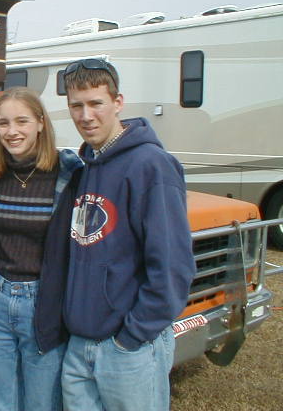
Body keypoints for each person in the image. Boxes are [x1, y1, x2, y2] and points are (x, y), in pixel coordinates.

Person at [60, 58, 196, 411]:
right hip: (80, 344)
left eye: (96, 103)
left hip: (127, 348)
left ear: (118, 102)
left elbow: (172, 267)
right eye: (76, 105)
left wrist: (131, 338)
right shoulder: (85, 166)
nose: (86, 115)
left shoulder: (150, 165)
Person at [0, 87, 83, 411]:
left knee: (42, 399)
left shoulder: (68, 174)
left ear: (40, 123)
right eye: (3, 123)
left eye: (21, 121)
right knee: (0, 397)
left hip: (43, 301)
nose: (12, 131)